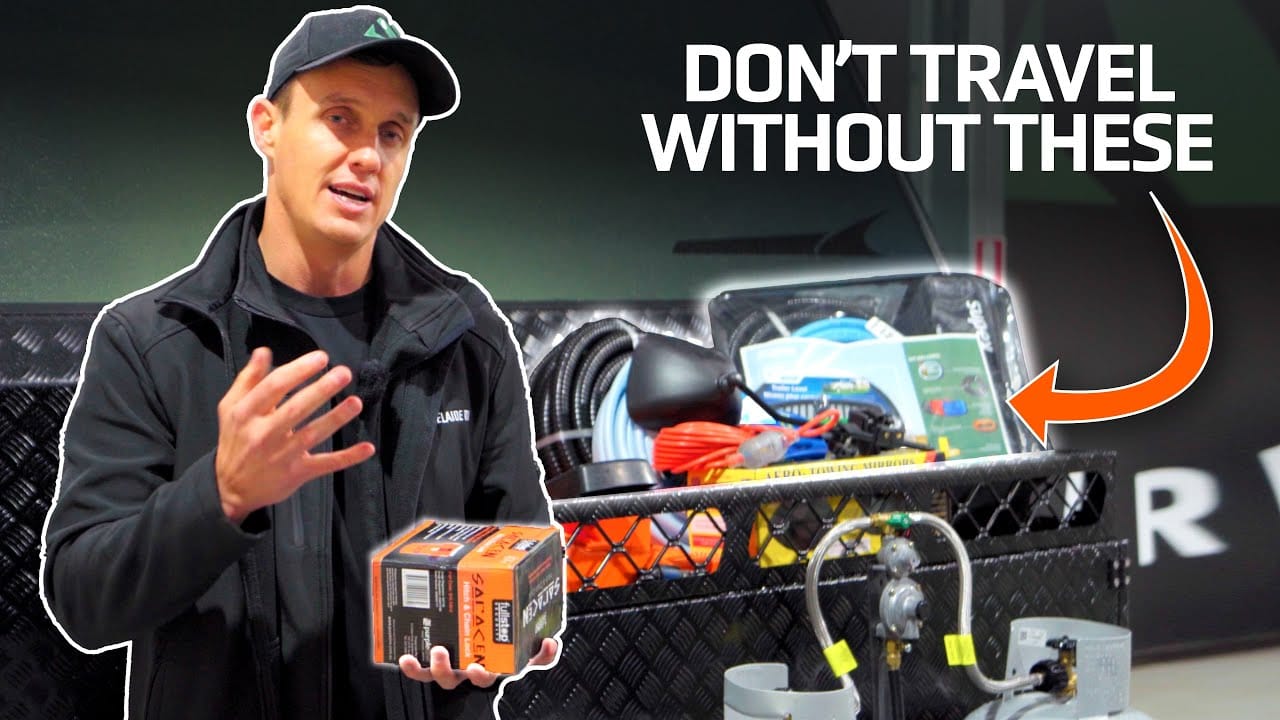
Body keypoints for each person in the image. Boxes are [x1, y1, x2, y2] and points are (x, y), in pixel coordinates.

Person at [40, 6, 557, 719]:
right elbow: (81, 602)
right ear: (267, 127)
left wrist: (503, 647)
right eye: (339, 119)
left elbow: (522, 549)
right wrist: (219, 496)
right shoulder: (153, 340)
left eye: (392, 133)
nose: (369, 156)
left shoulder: (465, 334)